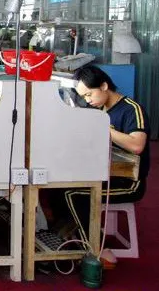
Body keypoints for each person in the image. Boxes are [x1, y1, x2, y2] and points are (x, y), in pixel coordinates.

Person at [63, 65, 150, 266]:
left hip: (129, 182)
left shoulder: (131, 109)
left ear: (103, 86)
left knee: (73, 194)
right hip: (104, 173)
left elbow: (137, 145)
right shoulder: (98, 110)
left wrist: (103, 127)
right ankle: (71, 234)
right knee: (57, 185)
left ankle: (96, 248)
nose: (87, 100)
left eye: (89, 94)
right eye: (83, 97)